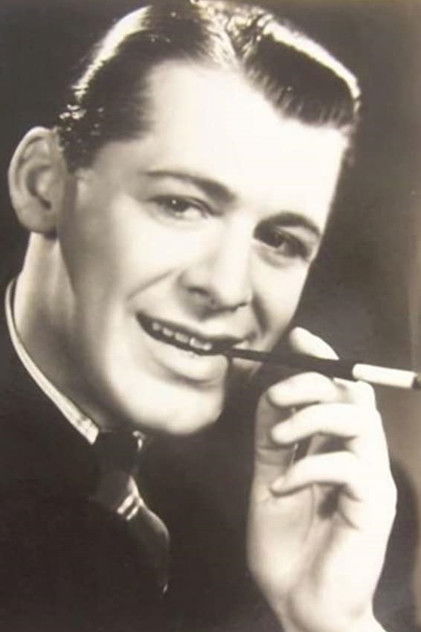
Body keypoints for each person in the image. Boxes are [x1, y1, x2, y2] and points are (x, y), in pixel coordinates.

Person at [0, 0, 415, 630]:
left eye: (279, 240)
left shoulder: (327, 498)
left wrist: (332, 618)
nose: (225, 288)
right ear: (42, 184)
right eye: (180, 204)